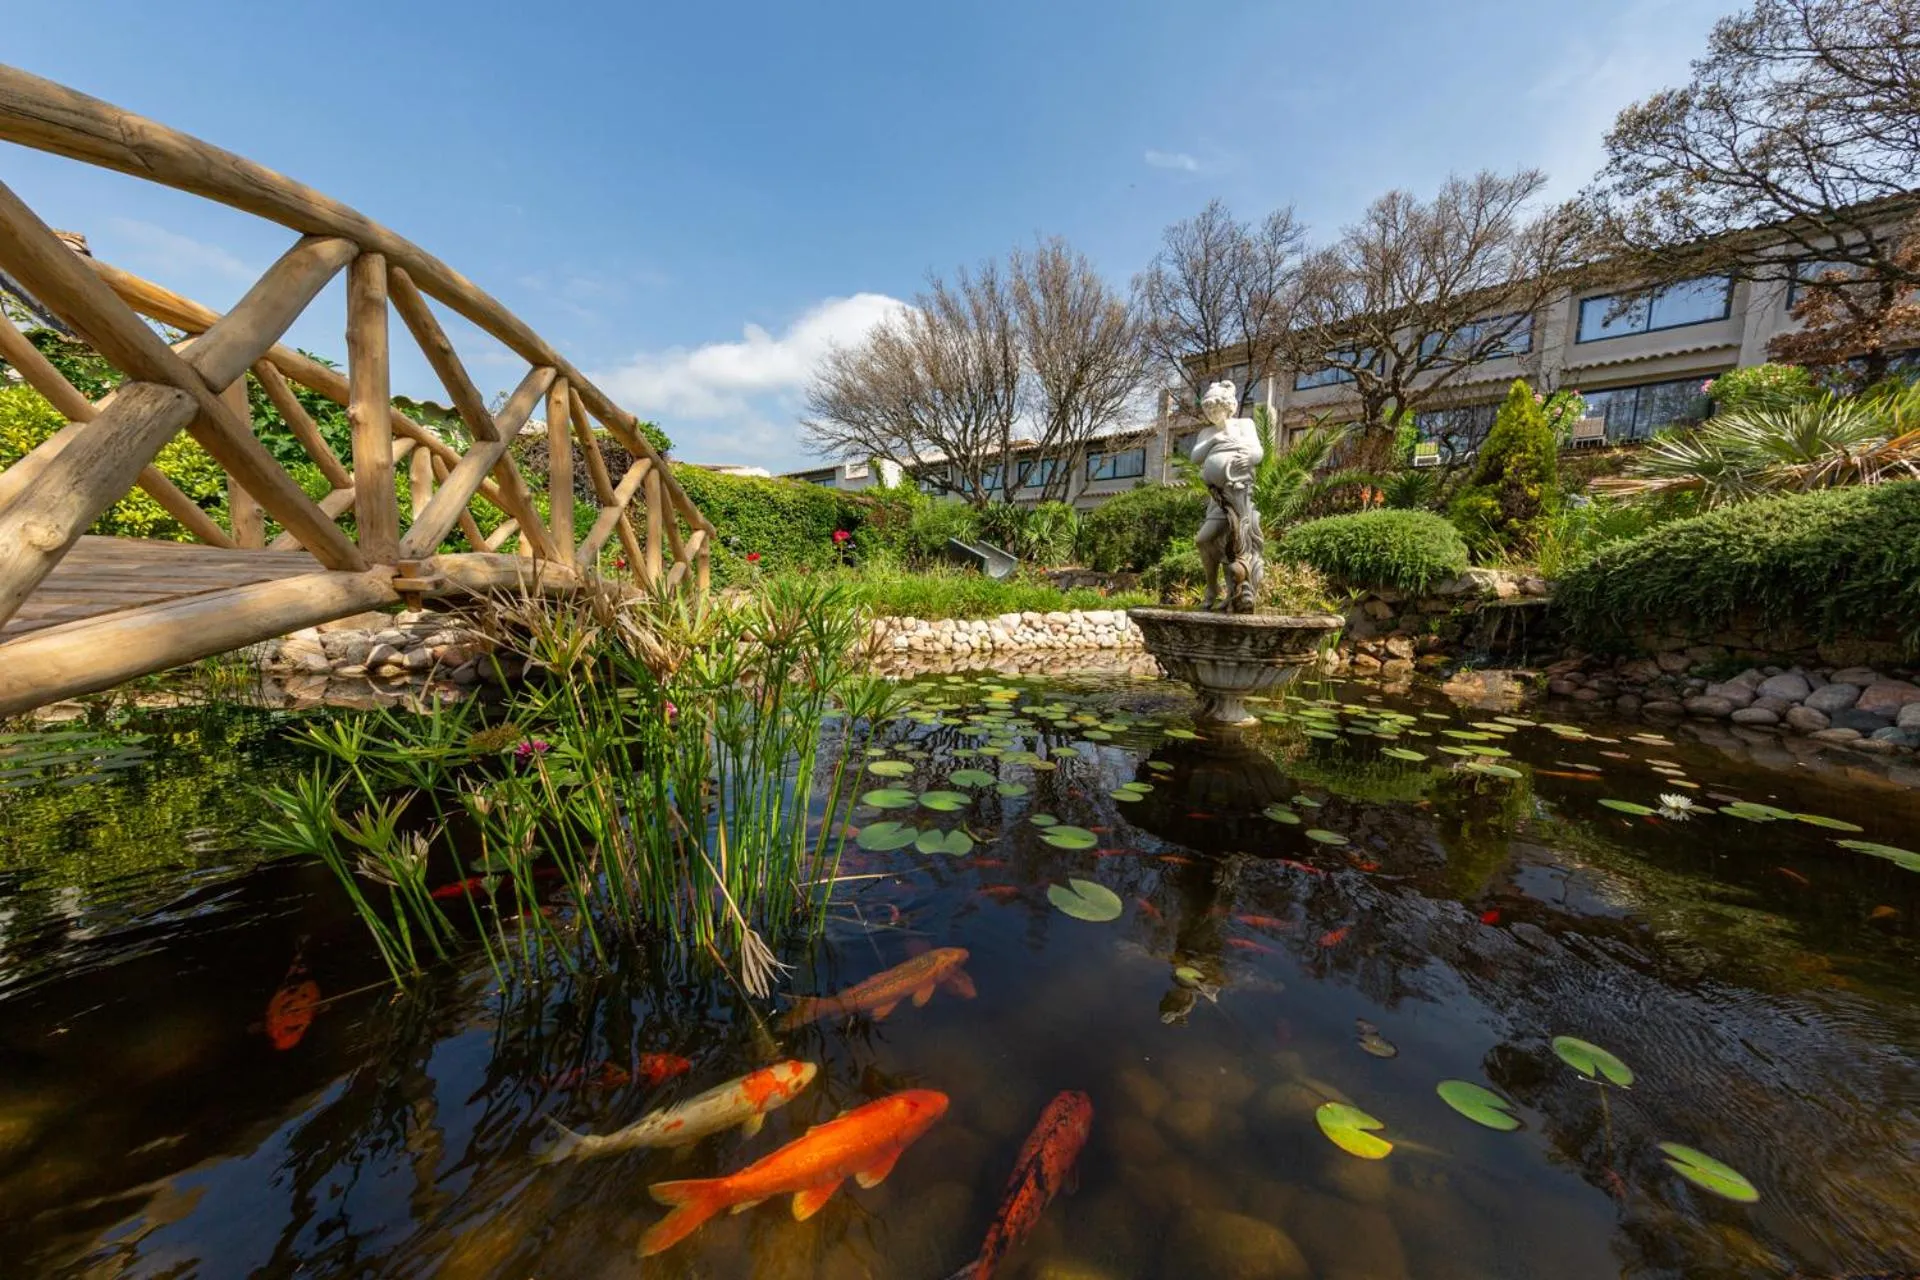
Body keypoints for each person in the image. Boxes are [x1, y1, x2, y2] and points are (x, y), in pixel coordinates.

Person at [1190, 380, 1265, 612]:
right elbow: (1195, 457)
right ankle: (1213, 588)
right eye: (1208, 410)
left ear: (1228, 406)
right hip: (1218, 499)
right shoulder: (1207, 433)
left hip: (1239, 496)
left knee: (1235, 544)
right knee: (1204, 540)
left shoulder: (1244, 425)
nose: (1212, 414)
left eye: (1216, 409)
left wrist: (1249, 457)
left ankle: (1238, 593)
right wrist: (1214, 440)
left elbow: (1257, 451)